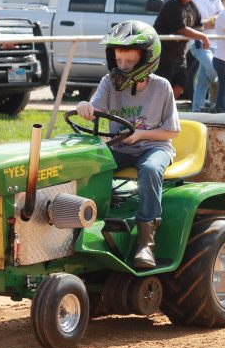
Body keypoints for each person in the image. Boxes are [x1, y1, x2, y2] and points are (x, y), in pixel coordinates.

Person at [77, 21, 180, 269]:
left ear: (147, 59)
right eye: (118, 60)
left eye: (130, 62)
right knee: (90, 165)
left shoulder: (162, 87)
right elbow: (95, 109)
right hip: (120, 147)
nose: (122, 67)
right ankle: (87, 223)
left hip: (154, 147)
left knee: (151, 169)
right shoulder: (109, 82)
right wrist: (84, 107)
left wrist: (140, 135)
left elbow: (172, 131)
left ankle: (146, 242)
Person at [152, 0, 209, 99]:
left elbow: (199, 25)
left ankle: (169, 105)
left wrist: (196, 32)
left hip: (179, 54)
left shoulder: (192, 5)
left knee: (181, 84)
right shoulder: (172, 5)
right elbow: (181, 29)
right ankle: (159, 107)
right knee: (162, 85)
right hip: (163, 53)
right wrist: (202, 36)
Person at [188, 0, 222, 112]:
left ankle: (197, 109)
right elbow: (192, 24)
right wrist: (210, 21)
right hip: (198, 43)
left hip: (217, 43)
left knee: (203, 79)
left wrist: (204, 22)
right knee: (214, 71)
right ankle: (216, 102)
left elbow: (221, 17)